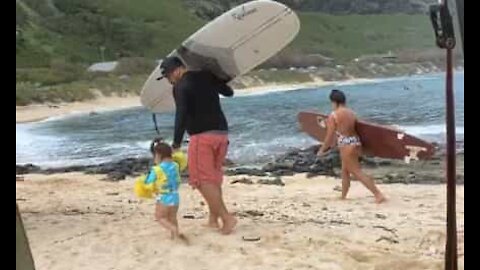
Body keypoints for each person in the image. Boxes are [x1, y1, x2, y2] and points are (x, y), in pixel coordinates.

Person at [159, 56, 237, 234]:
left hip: (202, 137)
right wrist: (217, 77)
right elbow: (229, 92)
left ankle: (226, 218)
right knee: (214, 178)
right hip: (222, 135)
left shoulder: (180, 86)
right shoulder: (206, 75)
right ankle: (213, 219)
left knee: (201, 180)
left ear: (176, 70)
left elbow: (181, 114)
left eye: (168, 77)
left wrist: (176, 143)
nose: (169, 81)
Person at [318, 89, 387, 204]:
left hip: (346, 145)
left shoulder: (333, 116)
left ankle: (378, 194)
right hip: (355, 142)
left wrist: (322, 150)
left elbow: (329, 136)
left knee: (356, 172)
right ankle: (343, 196)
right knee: (345, 171)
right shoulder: (351, 113)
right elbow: (359, 129)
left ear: (334, 102)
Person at [135, 138, 188, 242]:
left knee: (160, 217)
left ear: (158, 155)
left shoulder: (157, 169)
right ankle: (174, 237)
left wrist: (143, 180)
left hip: (164, 197)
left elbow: (148, 182)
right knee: (172, 218)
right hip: (175, 197)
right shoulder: (176, 165)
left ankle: (174, 230)